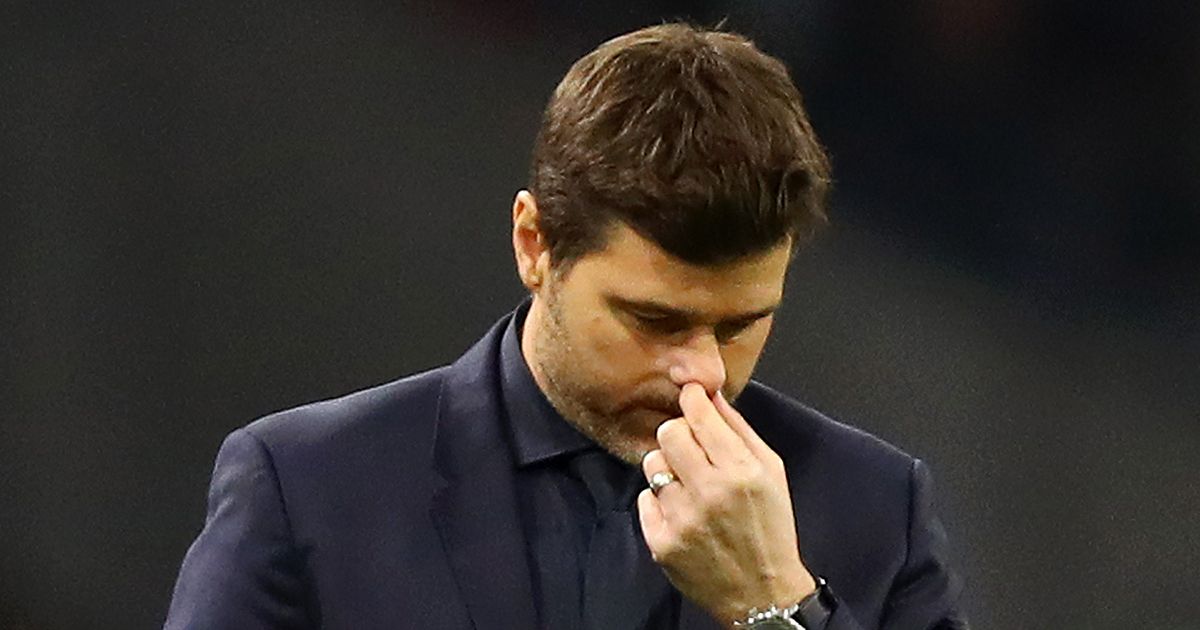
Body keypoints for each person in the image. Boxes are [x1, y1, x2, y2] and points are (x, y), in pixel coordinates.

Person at [165, 23, 967, 630]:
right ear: (534, 244)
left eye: (740, 326)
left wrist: (775, 608)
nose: (703, 375)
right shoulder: (310, 491)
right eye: (654, 319)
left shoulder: (872, 508)